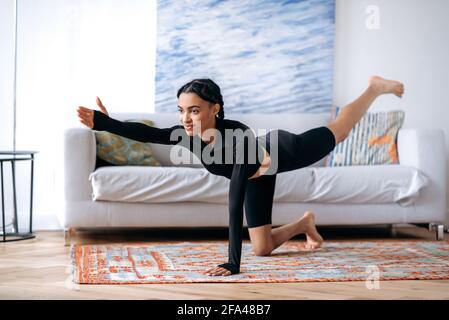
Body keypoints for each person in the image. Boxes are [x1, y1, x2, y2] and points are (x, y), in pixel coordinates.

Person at [77, 76, 404, 276]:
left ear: (214, 109)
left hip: (282, 150)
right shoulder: (188, 136)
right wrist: (104, 122)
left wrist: (233, 263)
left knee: (339, 131)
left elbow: (233, 207)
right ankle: (305, 223)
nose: (186, 118)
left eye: (193, 110)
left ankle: (373, 88)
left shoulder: (239, 142)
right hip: (256, 176)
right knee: (262, 249)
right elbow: (146, 133)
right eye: (181, 110)